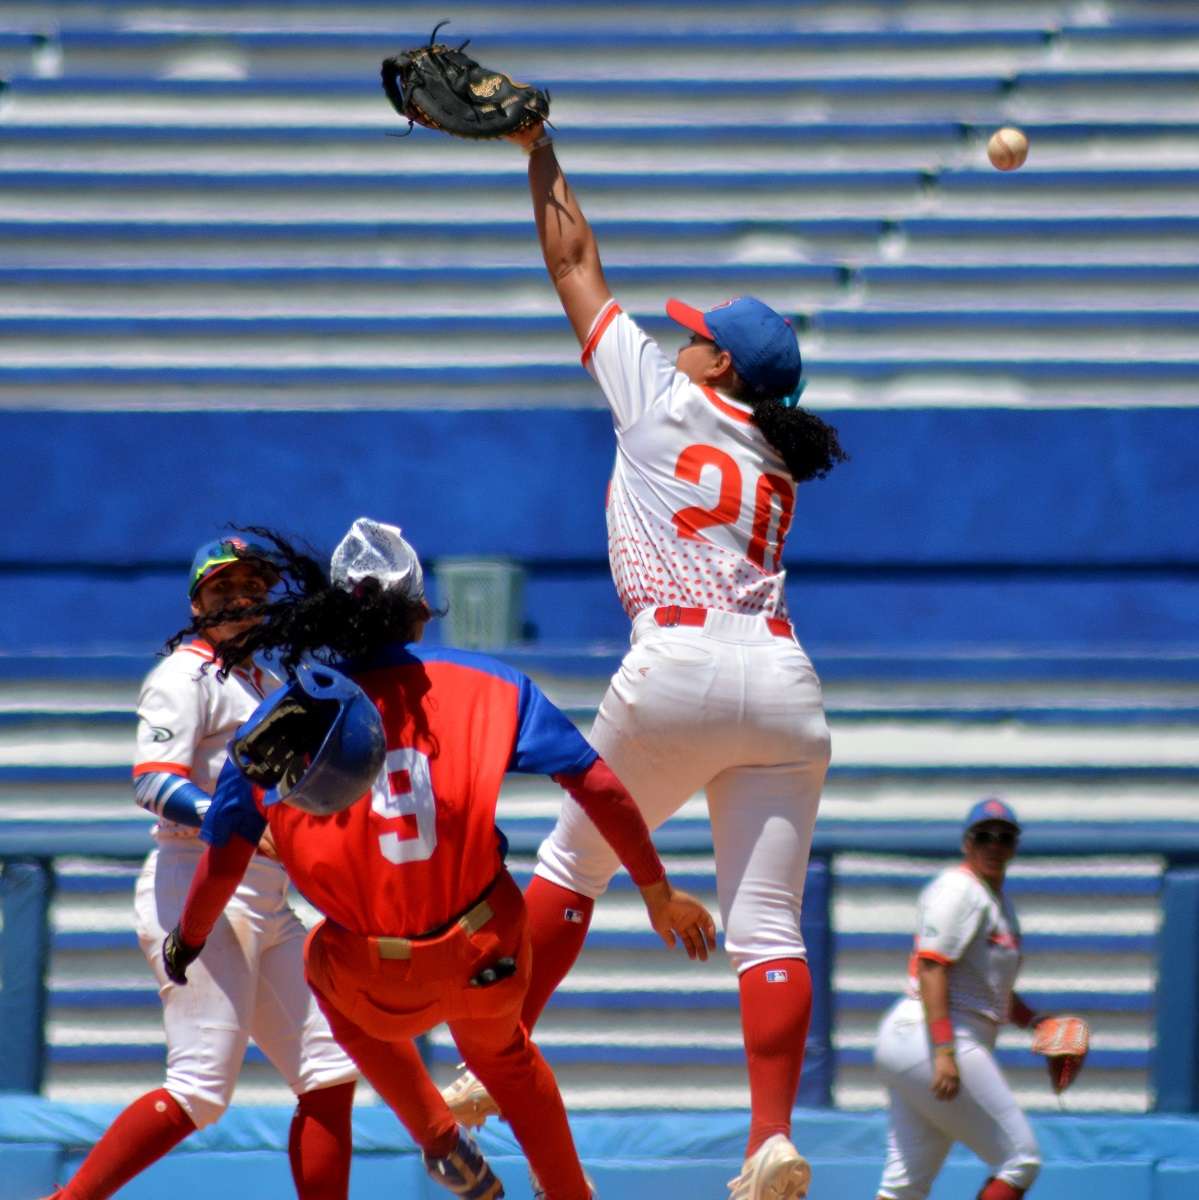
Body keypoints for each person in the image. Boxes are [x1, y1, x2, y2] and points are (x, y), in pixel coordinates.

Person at [440, 120, 849, 1200]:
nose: (681, 340)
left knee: (572, 866)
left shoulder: (660, 399)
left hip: (675, 660)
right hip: (782, 680)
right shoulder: (778, 457)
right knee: (767, 925)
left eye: (697, 336)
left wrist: (537, 147)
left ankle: (499, 1045)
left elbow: (571, 261)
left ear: (717, 365)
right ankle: (769, 1137)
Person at [162, 518, 717, 1200]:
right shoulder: (491, 683)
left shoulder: (285, 711)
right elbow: (594, 782)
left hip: (370, 974)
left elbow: (224, 853)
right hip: (481, 953)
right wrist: (656, 890)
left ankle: (436, 1135)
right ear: (420, 613)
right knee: (509, 1062)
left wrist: (186, 939)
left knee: (317, 962)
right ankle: (568, 1191)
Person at [40, 537, 358, 1200]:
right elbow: (153, 783)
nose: (240, 597)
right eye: (222, 587)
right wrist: (231, 824)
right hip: (195, 885)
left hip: (266, 900)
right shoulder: (185, 675)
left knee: (328, 1072)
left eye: (252, 586)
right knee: (200, 1090)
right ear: (195, 602)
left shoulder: (270, 684)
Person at [873, 798, 1045, 1200]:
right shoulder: (960, 889)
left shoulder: (995, 900)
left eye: (1004, 837)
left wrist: (1037, 1022)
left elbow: (992, 988)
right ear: (967, 843)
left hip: (918, 1039)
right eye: (984, 836)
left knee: (904, 1186)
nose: (994, 845)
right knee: (1019, 1159)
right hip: (937, 1036)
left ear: (1015, 845)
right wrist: (945, 1050)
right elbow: (932, 967)